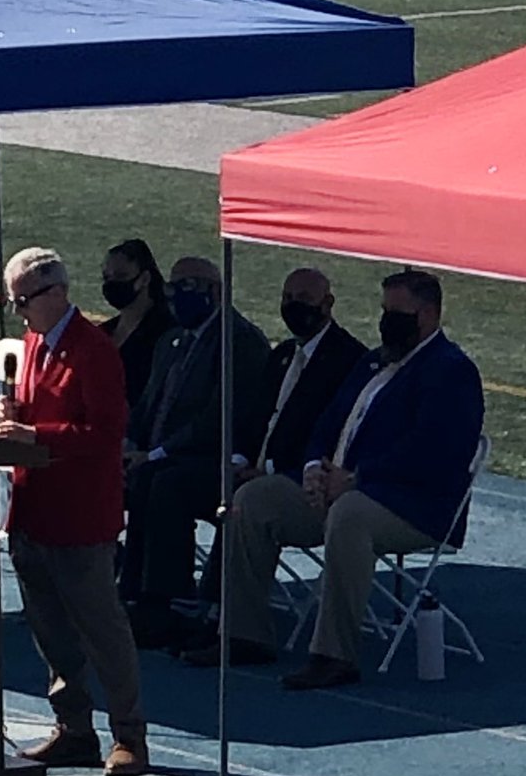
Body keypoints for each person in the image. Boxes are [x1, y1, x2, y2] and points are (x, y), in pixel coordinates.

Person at [186, 270, 484, 689]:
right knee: (253, 498)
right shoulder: (374, 360)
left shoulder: (451, 371)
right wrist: (313, 469)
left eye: (397, 313)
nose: (386, 321)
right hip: (340, 488)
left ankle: (333, 654)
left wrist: (358, 478)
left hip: (411, 505)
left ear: (429, 314)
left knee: (349, 516)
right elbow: (328, 423)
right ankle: (243, 633)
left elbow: (433, 451)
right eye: (384, 311)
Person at [0, 245, 149, 776]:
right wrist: (12, 413)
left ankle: (130, 734)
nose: (19, 312)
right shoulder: (34, 342)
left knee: (102, 630)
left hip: (80, 517)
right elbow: (38, 410)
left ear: (56, 293)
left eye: (24, 300)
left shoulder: (94, 349)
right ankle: (74, 727)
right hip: (33, 509)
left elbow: (105, 433)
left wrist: (35, 433)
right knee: (51, 631)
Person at [183, 268, 366, 630]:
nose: (293, 307)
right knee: (170, 482)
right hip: (253, 470)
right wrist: (238, 459)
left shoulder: (348, 361)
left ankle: (223, 613)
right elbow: (254, 417)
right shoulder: (283, 354)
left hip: (299, 482)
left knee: (247, 499)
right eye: (287, 299)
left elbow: (331, 436)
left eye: (303, 300)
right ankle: (166, 597)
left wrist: (267, 469)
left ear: (327, 304)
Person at [118, 256, 270, 646]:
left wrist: (154, 454)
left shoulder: (240, 342)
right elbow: (147, 405)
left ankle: (168, 598)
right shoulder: (172, 341)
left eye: (186, 288)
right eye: (171, 288)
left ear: (215, 291)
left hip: (216, 461)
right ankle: (132, 588)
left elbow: (216, 420)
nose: (175, 297)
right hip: (162, 455)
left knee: (164, 482)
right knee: (136, 475)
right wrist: (128, 444)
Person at [98, 239, 173, 407]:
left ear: (145, 278)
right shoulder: (103, 332)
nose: (112, 284)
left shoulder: (165, 333)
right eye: (107, 277)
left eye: (121, 276)